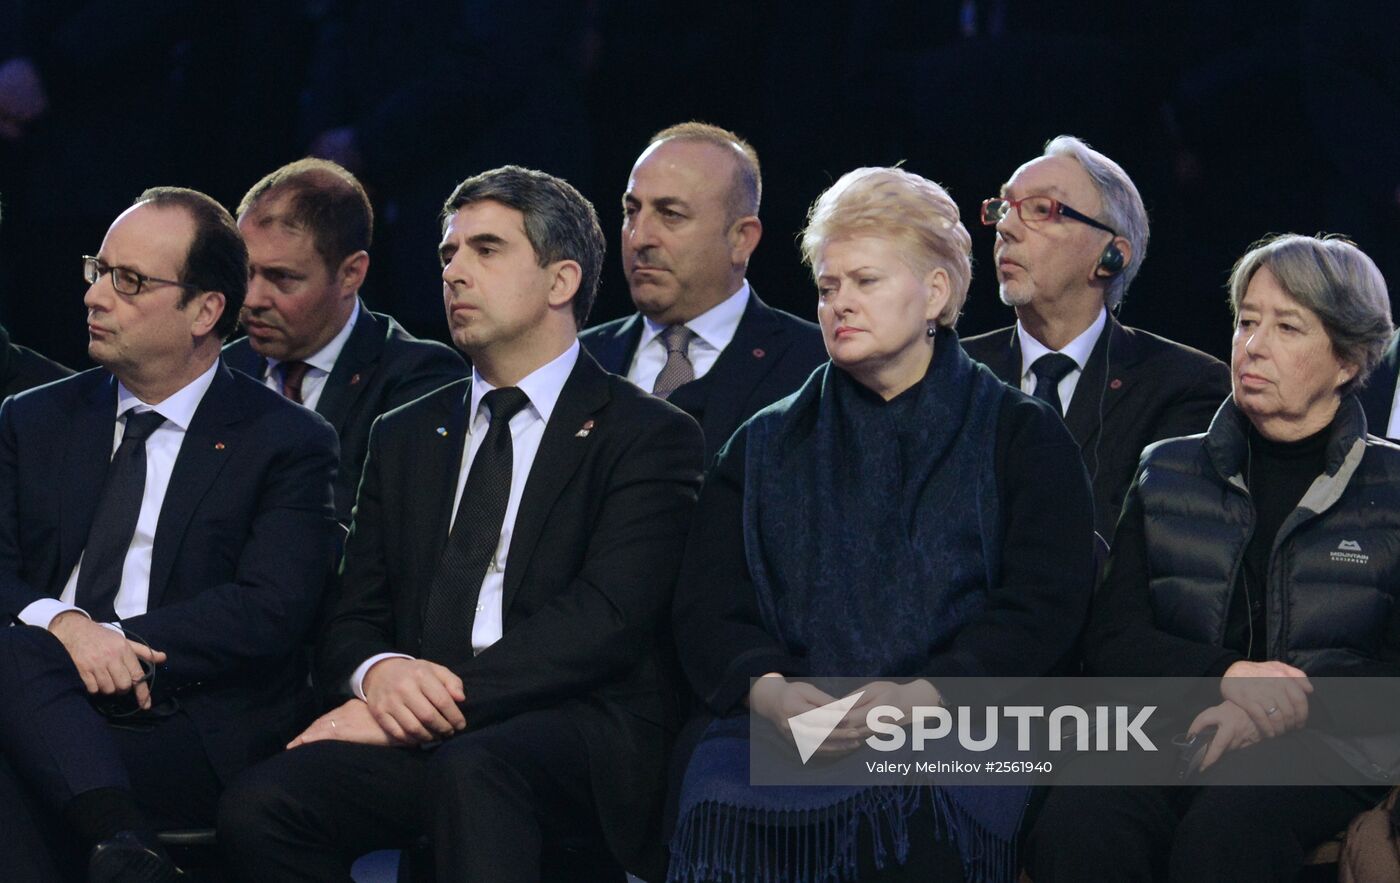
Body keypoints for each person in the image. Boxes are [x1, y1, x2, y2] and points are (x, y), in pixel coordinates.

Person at [218, 166, 706, 882]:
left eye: (486, 249)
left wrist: (435, 702)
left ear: (560, 280)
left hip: (573, 730)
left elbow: (606, 618)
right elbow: (354, 611)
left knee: (475, 768)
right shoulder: (407, 430)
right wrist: (377, 674)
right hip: (425, 733)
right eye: (448, 254)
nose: (455, 272)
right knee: (262, 805)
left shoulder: (647, 433)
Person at [668, 167, 1096, 882]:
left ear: (934, 293)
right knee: (717, 794)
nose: (839, 304)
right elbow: (709, 605)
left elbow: (1043, 604)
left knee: (913, 809)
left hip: (960, 715)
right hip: (794, 715)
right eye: (829, 287)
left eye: (865, 282)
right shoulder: (764, 443)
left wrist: (928, 696)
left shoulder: (1021, 436)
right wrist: (767, 689)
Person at [1028, 234, 1400, 882]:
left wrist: (1275, 707)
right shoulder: (1167, 469)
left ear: (1347, 358)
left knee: (1229, 831)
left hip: (1331, 745)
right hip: (1179, 725)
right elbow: (1115, 640)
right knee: (1077, 820)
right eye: (1246, 321)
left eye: (1286, 326)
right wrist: (1226, 677)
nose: (1253, 346)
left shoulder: (1392, 490)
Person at [0, 188, 340, 881]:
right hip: (36, 687)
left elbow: (268, 606)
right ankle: (124, 846)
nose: (97, 296)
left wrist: (117, 643)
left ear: (206, 310)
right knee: (21, 665)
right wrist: (68, 626)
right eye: (98, 269)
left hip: (181, 714)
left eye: (129, 282)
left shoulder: (284, 441)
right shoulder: (34, 419)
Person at [963, 135, 1230, 541]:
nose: (1006, 227)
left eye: (1040, 209)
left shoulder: (1183, 386)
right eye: (1004, 207)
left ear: (1111, 256)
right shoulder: (953, 372)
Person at [223, 158, 467, 523]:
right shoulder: (223, 368)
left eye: (282, 278)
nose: (253, 299)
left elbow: (383, 532)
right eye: (245, 272)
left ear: (352, 273)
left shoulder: (419, 379)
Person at [581, 122, 827, 464]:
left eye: (671, 214)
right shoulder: (577, 359)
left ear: (741, 239)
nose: (638, 238)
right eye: (632, 211)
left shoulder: (816, 369)